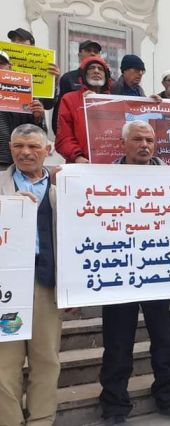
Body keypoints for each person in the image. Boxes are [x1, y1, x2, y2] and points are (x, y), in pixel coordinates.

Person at [98, 121, 170, 424]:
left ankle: (169, 399)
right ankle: (114, 407)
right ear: (123, 143)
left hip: (160, 274)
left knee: (165, 342)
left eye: (149, 140)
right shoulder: (100, 179)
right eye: (137, 139)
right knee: (117, 344)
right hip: (118, 276)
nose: (144, 145)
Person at [0, 124, 61, 425]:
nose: (25, 152)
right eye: (19, 147)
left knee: (46, 359)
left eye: (33, 147)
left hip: (47, 282)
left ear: (47, 150)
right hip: (5, 286)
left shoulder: (63, 184)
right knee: (4, 365)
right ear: (10, 149)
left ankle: (41, 420)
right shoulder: (0, 183)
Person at [55, 56, 112, 163]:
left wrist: (152, 104)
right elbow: (63, 137)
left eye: (100, 69)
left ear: (106, 75)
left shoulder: (114, 102)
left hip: (111, 166)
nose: (96, 71)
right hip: (80, 165)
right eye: (91, 68)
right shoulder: (69, 99)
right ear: (83, 75)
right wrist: (77, 157)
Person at [0, 51, 46, 170]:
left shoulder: (24, 92)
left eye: (1, 64)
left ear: (9, 67)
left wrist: (37, 117)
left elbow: (39, 132)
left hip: (13, 162)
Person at [53, 39, 102, 132]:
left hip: (100, 133)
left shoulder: (108, 81)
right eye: (88, 51)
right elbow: (59, 113)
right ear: (79, 55)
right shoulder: (68, 78)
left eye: (96, 52)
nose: (92, 53)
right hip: (74, 134)